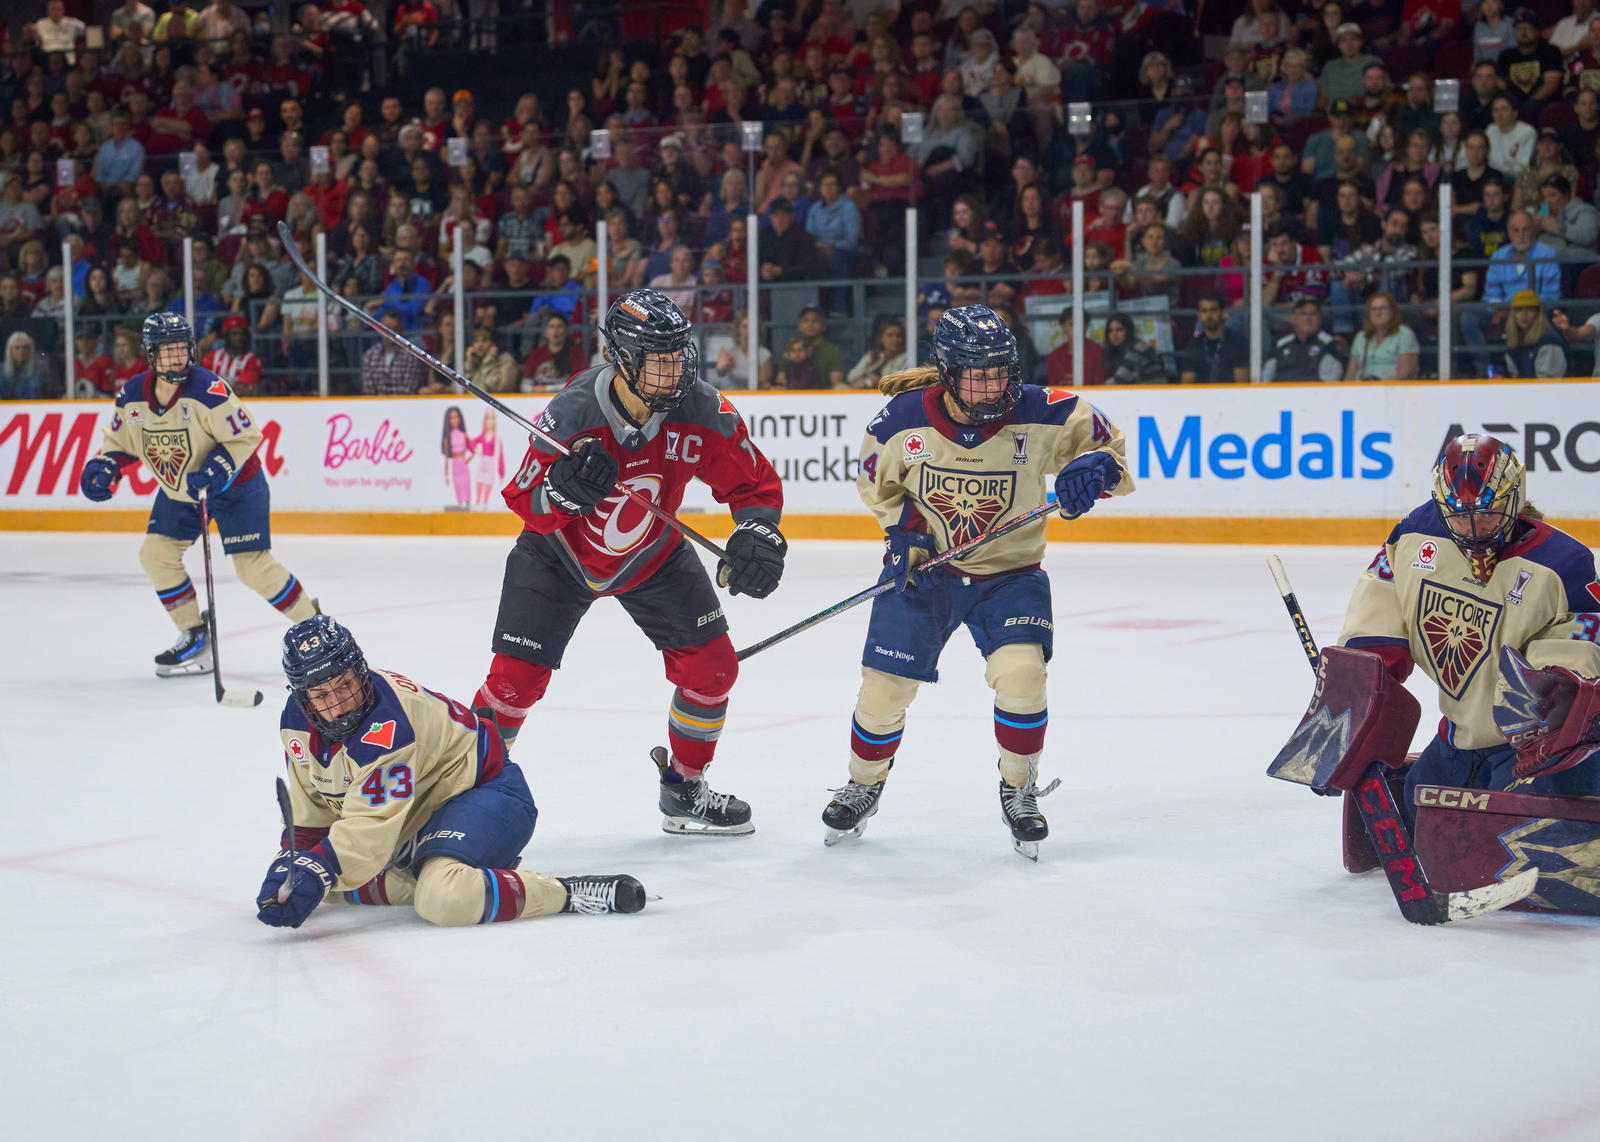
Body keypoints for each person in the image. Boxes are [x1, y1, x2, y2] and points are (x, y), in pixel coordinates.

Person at [819, 305, 1133, 859]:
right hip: (927, 573)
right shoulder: (900, 419)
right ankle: (862, 785)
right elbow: (876, 485)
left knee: (1022, 675)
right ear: (947, 372)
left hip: (1010, 575)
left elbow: (1111, 447)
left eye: (1000, 371)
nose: (993, 385)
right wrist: (904, 532)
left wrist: (1099, 470)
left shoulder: (1046, 410)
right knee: (882, 689)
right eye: (977, 373)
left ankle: (1019, 788)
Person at [473, 289, 786, 836]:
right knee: (514, 683)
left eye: (679, 354)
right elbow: (525, 499)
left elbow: (753, 481)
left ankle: (685, 788)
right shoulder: (571, 412)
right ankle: (462, 790)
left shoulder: (702, 408)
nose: (676, 370)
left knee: (713, 670)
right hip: (556, 557)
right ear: (621, 359)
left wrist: (757, 531)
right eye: (659, 360)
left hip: (653, 555)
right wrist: (565, 496)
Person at [258, 615, 646, 930]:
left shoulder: (389, 725)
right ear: (302, 699)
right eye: (322, 695)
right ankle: (441, 870)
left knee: (443, 899)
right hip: (411, 816)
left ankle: (565, 893)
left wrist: (316, 867)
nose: (339, 704)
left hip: (484, 792)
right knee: (322, 883)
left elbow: (367, 833)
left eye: (345, 684)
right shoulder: (296, 723)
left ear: (359, 671)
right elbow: (314, 807)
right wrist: (290, 862)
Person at [1334, 434, 1600, 818]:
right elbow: (1381, 598)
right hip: (1459, 738)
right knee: (1412, 806)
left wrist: (1550, 690)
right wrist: (1354, 698)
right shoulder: (1413, 535)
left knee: (1520, 832)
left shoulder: (1563, 564)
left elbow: (1577, 638)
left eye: (1489, 514)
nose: (1473, 528)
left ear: (1514, 499)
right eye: (1459, 515)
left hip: (1531, 750)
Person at [76, 313, 319, 677]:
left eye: (180, 348)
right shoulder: (132, 396)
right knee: (156, 555)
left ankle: (316, 629)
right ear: (151, 355)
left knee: (253, 569)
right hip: (181, 490)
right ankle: (194, 634)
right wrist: (105, 467)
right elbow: (119, 443)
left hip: (237, 486)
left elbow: (245, 437)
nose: (176, 357)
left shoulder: (208, 389)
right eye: (166, 350)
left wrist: (217, 467)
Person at [1264, 298, 1348, 381]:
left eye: (1313, 314)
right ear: (1293, 319)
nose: (1308, 318)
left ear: (1320, 319)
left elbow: (1331, 379)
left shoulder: (1329, 344)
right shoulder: (1281, 344)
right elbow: (1267, 377)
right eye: (1303, 314)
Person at [1346, 291, 1420, 379]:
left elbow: (1405, 373)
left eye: (1383, 308)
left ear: (1392, 312)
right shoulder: (1361, 337)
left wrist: (1379, 387)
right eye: (1374, 309)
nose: (1378, 313)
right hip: (1362, 389)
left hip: (1393, 390)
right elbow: (1350, 374)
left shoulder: (1405, 335)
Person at [1501, 289, 1569, 378]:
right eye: (1519, 309)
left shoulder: (1549, 341)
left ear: (1538, 313)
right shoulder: (1513, 341)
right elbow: (1515, 376)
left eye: (1529, 309)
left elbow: (1549, 384)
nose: (1524, 314)